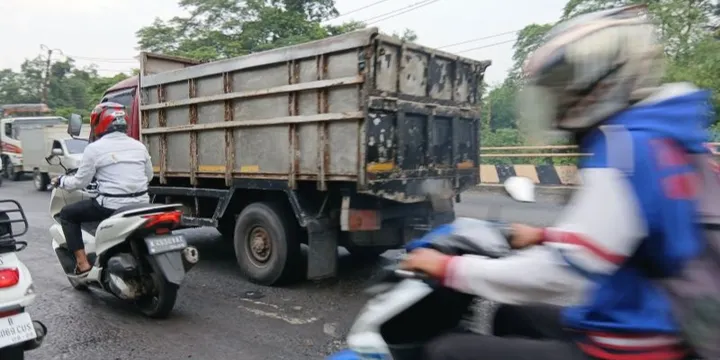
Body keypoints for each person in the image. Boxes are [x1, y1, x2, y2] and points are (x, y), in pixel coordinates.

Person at [401, 5, 712, 360]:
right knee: (510, 314)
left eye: (567, 84)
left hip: (631, 345)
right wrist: (545, 235)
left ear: (604, 77)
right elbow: (630, 232)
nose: (560, 99)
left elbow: (566, 274)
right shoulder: (664, 134)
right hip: (656, 318)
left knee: (445, 351)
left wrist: (451, 269)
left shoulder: (623, 145)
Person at [52, 102, 153, 278]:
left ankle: (83, 265)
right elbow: (149, 176)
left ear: (99, 122)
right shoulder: (139, 145)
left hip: (112, 205)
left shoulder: (94, 148)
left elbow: (80, 182)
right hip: (142, 203)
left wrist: (61, 180)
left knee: (68, 214)